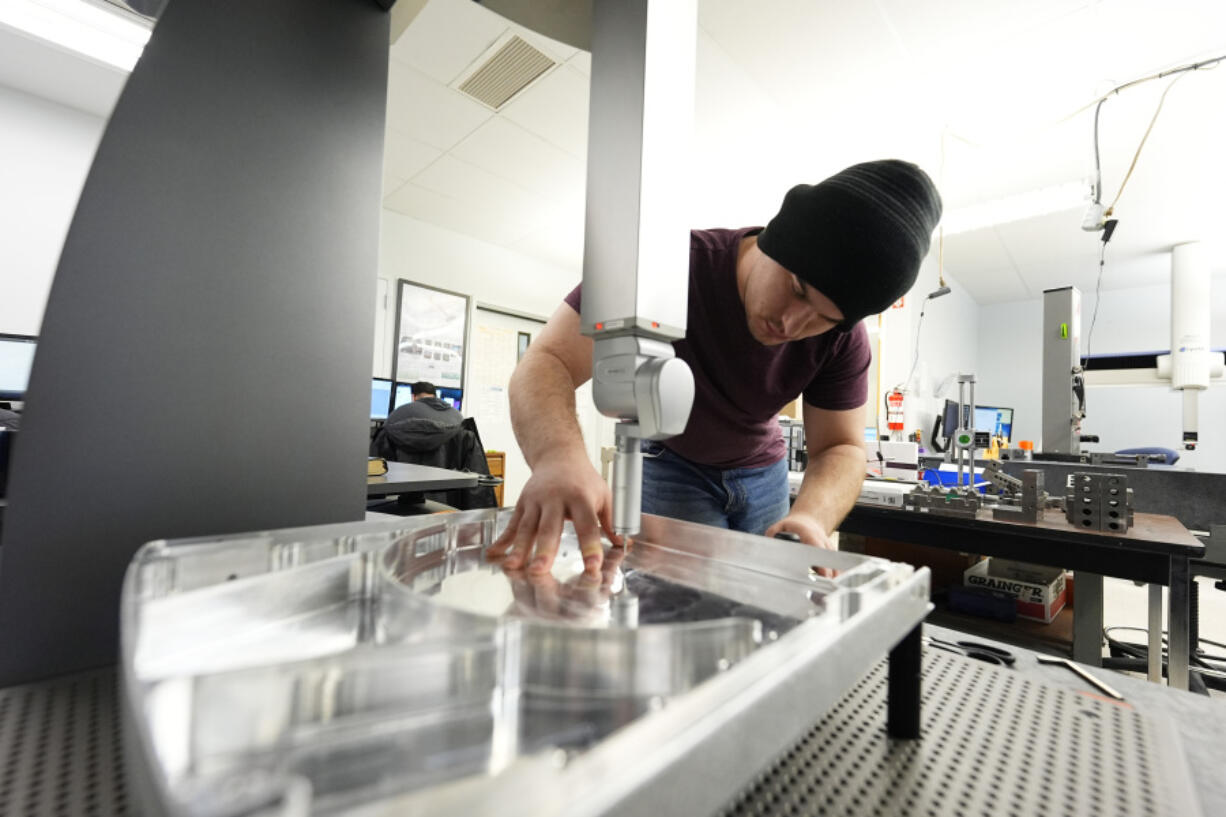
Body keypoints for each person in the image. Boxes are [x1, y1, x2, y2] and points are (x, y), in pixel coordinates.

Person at [490, 159, 942, 576]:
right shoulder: (665, 267)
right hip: (673, 462)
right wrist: (559, 457)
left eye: (824, 318)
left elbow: (841, 447)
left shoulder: (843, 340)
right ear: (774, 240)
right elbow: (547, 361)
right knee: (673, 607)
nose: (791, 323)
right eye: (798, 289)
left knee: (765, 603)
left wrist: (811, 515)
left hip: (765, 472)